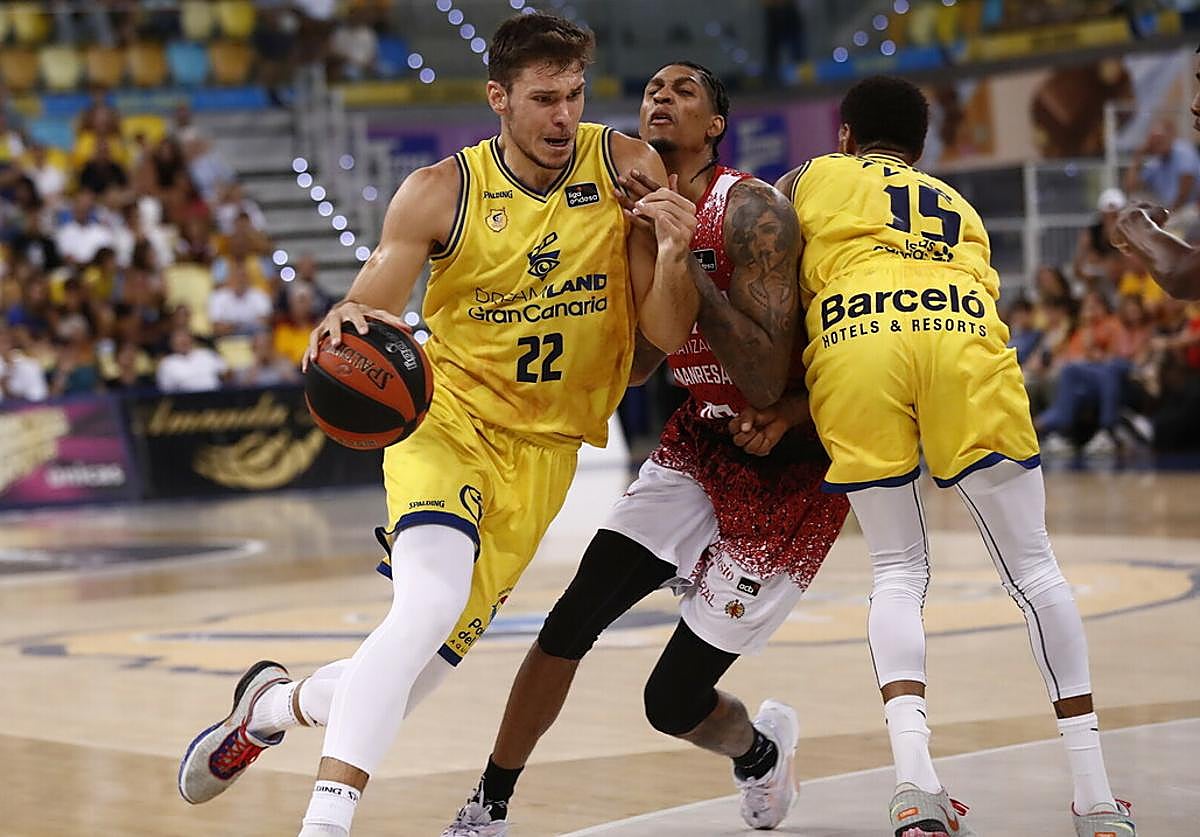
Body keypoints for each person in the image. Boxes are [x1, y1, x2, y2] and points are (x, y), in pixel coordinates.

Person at [177, 13, 699, 837]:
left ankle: (270, 707)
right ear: (499, 98)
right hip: (447, 423)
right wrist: (344, 317)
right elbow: (368, 306)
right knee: (427, 605)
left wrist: (672, 252)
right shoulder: (440, 191)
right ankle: (326, 823)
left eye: (574, 95)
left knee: (409, 677)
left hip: (547, 454)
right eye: (543, 99)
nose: (563, 115)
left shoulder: (626, 167)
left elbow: (661, 338)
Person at [440, 62, 849, 837]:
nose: (661, 97)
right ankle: (488, 804)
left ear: (716, 125)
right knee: (572, 616)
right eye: (653, 89)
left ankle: (760, 751)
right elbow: (643, 361)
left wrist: (683, 254)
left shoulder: (749, 209)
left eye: (683, 90)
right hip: (701, 441)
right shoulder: (629, 211)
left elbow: (766, 379)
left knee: (671, 701)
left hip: (786, 468)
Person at [777, 76, 1134, 837]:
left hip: (856, 337)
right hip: (961, 329)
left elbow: (764, 261)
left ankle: (916, 787)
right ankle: (1097, 799)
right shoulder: (959, 205)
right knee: (1035, 570)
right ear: (920, 149)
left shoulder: (811, 177)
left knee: (898, 570)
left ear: (844, 137)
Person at [1113, 57, 1200, 300]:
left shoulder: (1182, 153)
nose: (1195, 105)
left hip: (1187, 210)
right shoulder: (1156, 161)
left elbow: (1183, 273)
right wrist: (1139, 155)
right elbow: (1130, 186)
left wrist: (1134, 224)